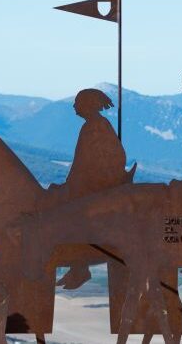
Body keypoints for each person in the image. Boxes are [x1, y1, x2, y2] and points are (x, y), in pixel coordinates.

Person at [50, 88, 133, 289]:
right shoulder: (95, 125)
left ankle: (79, 266)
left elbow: (88, 163)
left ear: (87, 104)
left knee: (69, 213)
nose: (74, 106)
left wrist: (71, 186)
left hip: (97, 187)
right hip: (91, 184)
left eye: (77, 102)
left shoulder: (95, 127)